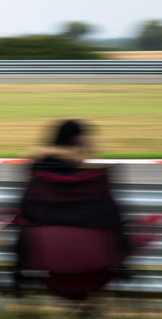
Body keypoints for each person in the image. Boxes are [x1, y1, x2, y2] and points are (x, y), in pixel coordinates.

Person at [14, 119, 130, 294]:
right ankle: (121, 266)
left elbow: (24, 212)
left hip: (45, 260)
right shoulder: (93, 182)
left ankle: (19, 274)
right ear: (79, 142)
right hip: (94, 262)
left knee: (22, 221)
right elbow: (114, 218)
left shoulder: (37, 178)